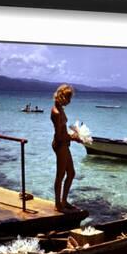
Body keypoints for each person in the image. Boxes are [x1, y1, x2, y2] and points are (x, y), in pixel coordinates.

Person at [50, 84, 81, 213]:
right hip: (60, 145)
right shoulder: (56, 112)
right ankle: (58, 204)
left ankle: (64, 201)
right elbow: (59, 136)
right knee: (60, 175)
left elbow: (62, 132)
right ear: (63, 97)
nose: (69, 101)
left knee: (71, 173)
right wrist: (73, 138)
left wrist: (73, 135)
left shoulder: (60, 109)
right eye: (68, 98)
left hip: (64, 144)